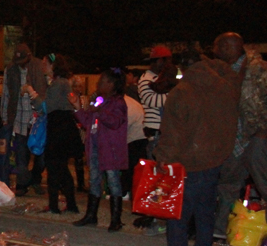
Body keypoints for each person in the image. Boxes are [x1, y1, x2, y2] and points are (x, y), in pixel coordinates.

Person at [153, 48, 238, 246]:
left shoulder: (183, 92)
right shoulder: (223, 87)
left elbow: (173, 133)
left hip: (188, 162)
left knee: (178, 215)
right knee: (205, 216)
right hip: (213, 159)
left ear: (182, 68)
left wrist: (163, 158)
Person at [212, 32, 267, 242]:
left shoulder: (258, 69)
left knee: (263, 183)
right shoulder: (232, 70)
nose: (214, 51)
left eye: (217, 47)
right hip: (238, 137)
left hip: (257, 136)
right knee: (228, 184)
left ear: (228, 47)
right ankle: (219, 228)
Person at [72, 68, 128, 231]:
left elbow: (115, 122)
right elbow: (88, 121)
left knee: (113, 183)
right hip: (96, 146)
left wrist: (99, 111)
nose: (99, 84)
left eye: (102, 81)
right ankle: (91, 216)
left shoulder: (118, 103)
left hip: (111, 149)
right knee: (94, 180)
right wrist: (78, 108)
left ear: (112, 84)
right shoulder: (99, 100)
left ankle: (116, 219)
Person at [136, 45, 177, 235]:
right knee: (156, 177)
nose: (168, 64)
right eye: (165, 60)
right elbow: (152, 101)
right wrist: (176, 96)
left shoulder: (161, 80)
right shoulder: (146, 80)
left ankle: (156, 213)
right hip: (155, 133)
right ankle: (153, 214)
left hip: (163, 132)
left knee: (162, 177)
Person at [0, 43, 48, 196]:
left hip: (38, 119)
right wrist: (5, 117)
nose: (20, 65)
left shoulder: (40, 67)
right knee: (21, 156)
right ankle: (22, 184)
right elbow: (6, 94)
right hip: (19, 118)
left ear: (29, 57)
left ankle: (35, 179)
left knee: (41, 156)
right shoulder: (10, 69)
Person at [39, 55, 82, 214]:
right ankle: (69, 204)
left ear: (53, 66)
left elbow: (47, 107)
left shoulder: (58, 84)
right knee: (61, 168)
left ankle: (55, 205)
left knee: (54, 166)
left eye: (45, 63)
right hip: (62, 127)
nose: (42, 65)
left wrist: (32, 94)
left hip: (59, 128)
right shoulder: (61, 83)